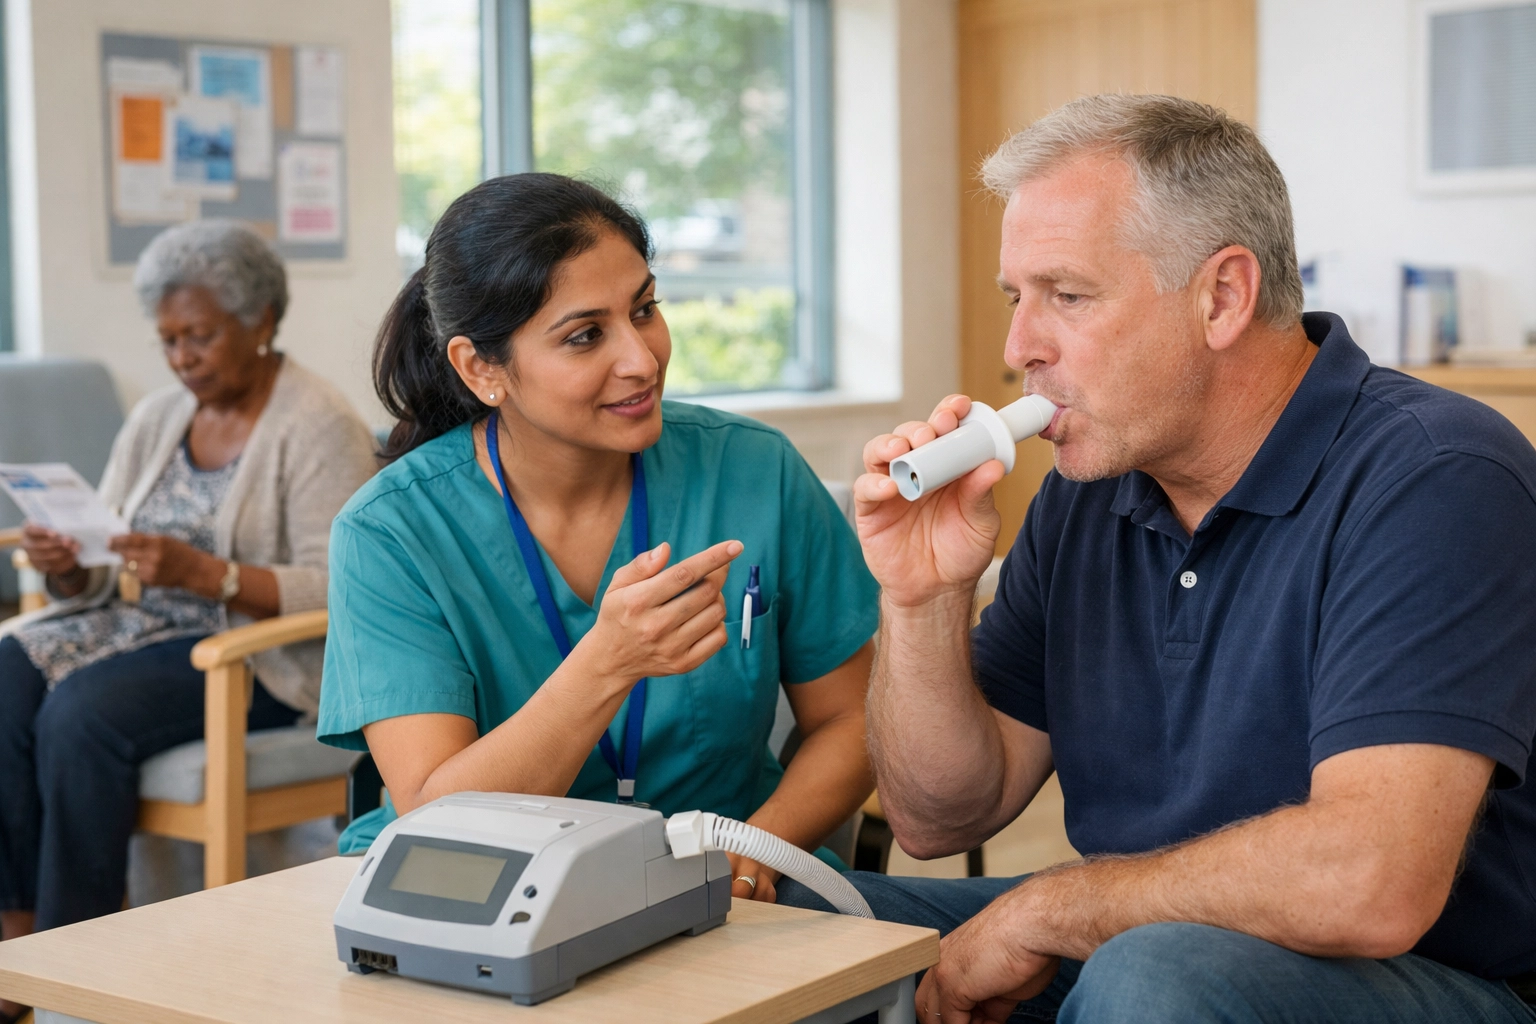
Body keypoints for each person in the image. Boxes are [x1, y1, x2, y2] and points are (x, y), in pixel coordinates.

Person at [840, 95, 1536, 1023]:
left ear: (1222, 296)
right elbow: (939, 819)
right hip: (1154, 942)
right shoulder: (1088, 486)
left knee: (1155, 975)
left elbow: (1373, 884)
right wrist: (921, 599)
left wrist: (1052, 908)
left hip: (1441, 979)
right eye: (1018, 298)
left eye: (1068, 296)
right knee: (812, 921)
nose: (1019, 350)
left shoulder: (1437, 475)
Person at [316, 173, 877, 904]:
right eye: (585, 336)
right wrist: (606, 664)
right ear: (482, 369)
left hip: (728, 895)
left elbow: (853, 719)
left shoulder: (753, 470)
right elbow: (437, 820)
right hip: (479, 898)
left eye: (645, 309)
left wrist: (756, 853)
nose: (642, 359)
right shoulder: (389, 533)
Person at [0, 221, 377, 1003]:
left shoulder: (318, 423)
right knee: (4, 673)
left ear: (261, 320)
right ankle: (16, 932)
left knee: (81, 713)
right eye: (168, 340)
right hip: (142, 631)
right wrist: (70, 568)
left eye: (199, 336)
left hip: (257, 656)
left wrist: (211, 574)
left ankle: (77, 958)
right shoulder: (159, 419)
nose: (182, 358)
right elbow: (106, 559)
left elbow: (344, 587)